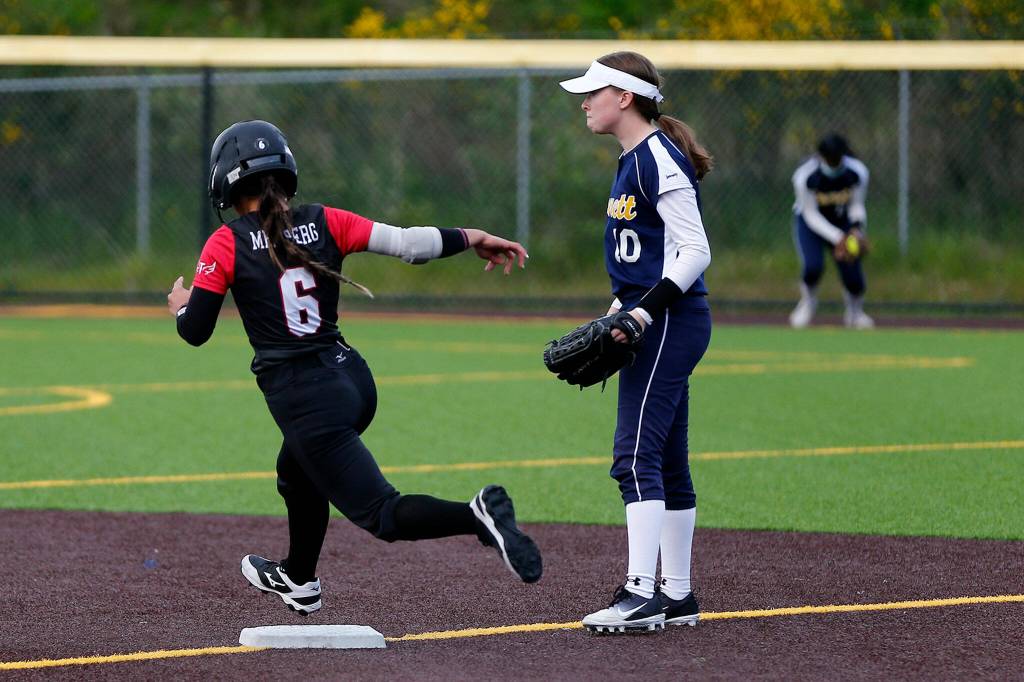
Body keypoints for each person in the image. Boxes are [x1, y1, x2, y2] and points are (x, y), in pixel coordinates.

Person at [166, 119, 542, 616]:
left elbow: (196, 331)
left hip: (306, 397)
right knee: (296, 473)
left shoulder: (226, 242)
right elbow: (410, 244)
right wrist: (473, 236)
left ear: (225, 183)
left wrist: (179, 304)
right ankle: (299, 577)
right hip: (352, 379)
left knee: (383, 514)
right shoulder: (324, 220)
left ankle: (477, 517)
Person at [559, 52, 712, 633]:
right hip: (658, 318)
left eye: (593, 92)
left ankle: (639, 593)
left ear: (624, 97)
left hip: (669, 321)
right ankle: (676, 594)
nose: (585, 102)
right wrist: (615, 312)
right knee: (667, 460)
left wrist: (642, 313)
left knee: (634, 458)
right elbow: (646, 258)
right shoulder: (634, 159)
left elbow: (694, 251)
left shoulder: (655, 158)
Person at [789, 133, 874, 329]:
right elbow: (810, 214)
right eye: (829, 160)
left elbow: (857, 205)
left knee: (853, 274)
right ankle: (808, 304)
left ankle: (855, 312)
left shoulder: (857, 172)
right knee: (813, 267)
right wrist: (839, 238)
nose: (834, 164)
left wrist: (856, 229)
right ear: (820, 157)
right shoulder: (805, 176)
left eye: (837, 159)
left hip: (843, 221)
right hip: (811, 224)